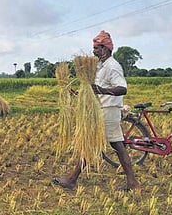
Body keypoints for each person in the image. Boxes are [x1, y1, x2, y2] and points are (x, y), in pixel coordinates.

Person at [52, 30, 139, 191]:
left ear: (105, 49)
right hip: (102, 110)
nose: (94, 51)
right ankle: (132, 183)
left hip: (109, 110)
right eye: (93, 48)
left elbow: (122, 89)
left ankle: (72, 179)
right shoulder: (99, 66)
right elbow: (93, 89)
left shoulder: (113, 67)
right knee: (114, 147)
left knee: (99, 145)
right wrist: (76, 93)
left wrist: (102, 90)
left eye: (97, 48)